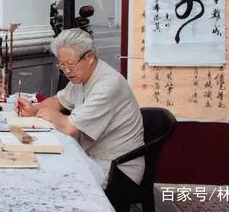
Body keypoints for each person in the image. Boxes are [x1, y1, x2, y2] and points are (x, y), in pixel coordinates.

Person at [16, 28, 145, 188]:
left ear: (90, 58)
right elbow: (59, 101)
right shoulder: (81, 76)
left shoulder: (108, 84)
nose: (67, 71)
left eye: (70, 64)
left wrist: (51, 115)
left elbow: (70, 128)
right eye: (62, 65)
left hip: (117, 168)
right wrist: (34, 108)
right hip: (91, 157)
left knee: (52, 179)